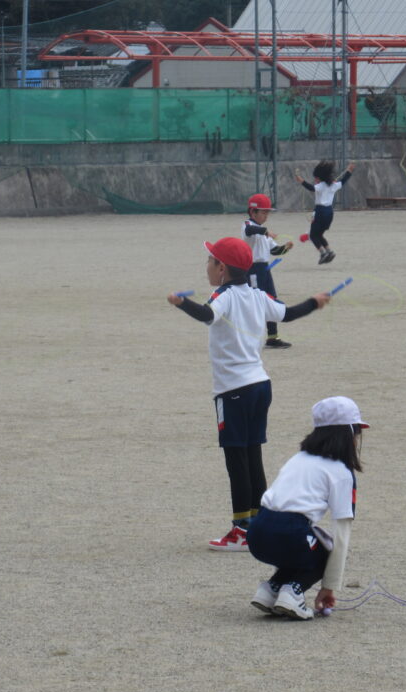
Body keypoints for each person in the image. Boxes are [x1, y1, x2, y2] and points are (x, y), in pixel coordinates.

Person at [167, 237, 331, 551]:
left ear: (222, 268)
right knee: (252, 455)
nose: (207, 266)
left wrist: (181, 303)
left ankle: (241, 530)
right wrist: (313, 302)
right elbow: (288, 314)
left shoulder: (223, 295)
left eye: (210, 261)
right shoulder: (258, 294)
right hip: (260, 386)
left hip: (233, 391)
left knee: (237, 460)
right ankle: (259, 525)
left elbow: (207, 315)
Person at [246, 396, 367, 620]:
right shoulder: (341, 472)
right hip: (289, 534)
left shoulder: (298, 458)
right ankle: (293, 592)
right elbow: (341, 534)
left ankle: (271, 589)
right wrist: (329, 586)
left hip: (256, 533)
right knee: (324, 547)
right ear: (349, 434)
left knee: (304, 545)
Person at [243, 193, 294, 349]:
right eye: (263, 212)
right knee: (255, 303)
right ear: (253, 212)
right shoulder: (247, 225)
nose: (266, 216)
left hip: (265, 270)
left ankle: (272, 337)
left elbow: (275, 250)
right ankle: (248, 338)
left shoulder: (264, 233)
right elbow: (250, 230)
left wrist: (285, 248)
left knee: (270, 301)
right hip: (253, 270)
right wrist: (265, 231)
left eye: (267, 213)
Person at [295, 161, 356, 265]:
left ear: (320, 178)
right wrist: (349, 171)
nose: (315, 180)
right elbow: (343, 181)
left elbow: (311, 188)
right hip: (329, 213)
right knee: (319, 234)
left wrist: (301, 181)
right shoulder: (334, 185)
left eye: (316, 178)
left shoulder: (321, 186)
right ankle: (329, 251)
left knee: (313, 235)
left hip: (320, 211)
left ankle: (323, 253)